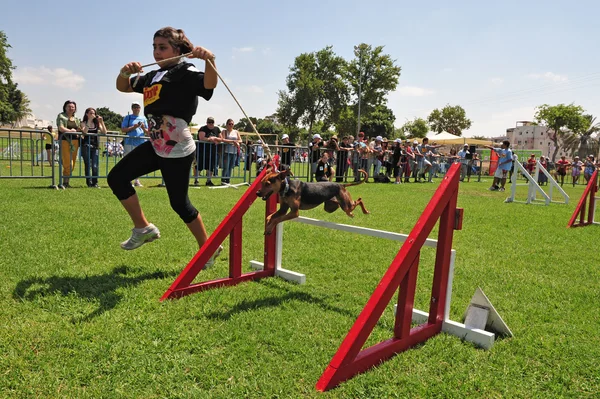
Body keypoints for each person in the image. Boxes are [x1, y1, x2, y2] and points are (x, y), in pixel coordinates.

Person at [109, 26, 221, 268]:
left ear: (177, 50)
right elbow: (123, 86)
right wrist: (123, 72)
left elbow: (209, 85)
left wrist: (210, 60)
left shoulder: (186, 71)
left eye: (162, 48)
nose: (156, 53)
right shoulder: (152, 76)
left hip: (178, 148)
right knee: (117, 178)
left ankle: (208, 248)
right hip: (156, 144)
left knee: (179, 203)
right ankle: (143, 228)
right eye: (154, 47)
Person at [121, 102, 149, 187]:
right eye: (134, 107)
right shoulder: (128, 118)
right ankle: (128, 180)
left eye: (138, 107)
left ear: (140, 108)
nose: (136, 109)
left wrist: (143, 127)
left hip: (140, 142)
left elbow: (148, 132)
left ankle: (137, 180)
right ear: (132, 109)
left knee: (139, 162)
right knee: (129, 162)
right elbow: (123, 129)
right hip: (129, 142)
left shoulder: (143, 118)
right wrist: (134, 127)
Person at [56, 100, 81, 189]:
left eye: (73, 107)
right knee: (67, 162)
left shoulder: (77, 118)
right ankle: (64, 181)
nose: (71, 108)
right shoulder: (61, 116)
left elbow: (79, 128)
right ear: (65, 107)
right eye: (69, 107)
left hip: (75, 141)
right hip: (65, 140)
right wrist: (70, 131)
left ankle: (67, 182)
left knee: (73, 163)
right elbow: (61, 127)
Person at [80, 107, 107, 188]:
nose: (93, 115)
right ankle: (89, 182)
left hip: (95, 146)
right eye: (91, 113)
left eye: (94, 113)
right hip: (86, 146)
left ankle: (95, 182)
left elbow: (104, 132)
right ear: (87, 114)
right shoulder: (83, 123)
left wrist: (101, 122)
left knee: (95, 165)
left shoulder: (97, 124)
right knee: (87, 165)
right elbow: (84, 132)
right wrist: (89, 121)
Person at [194, 116, 221, 186]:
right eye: (209, 122)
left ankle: (209, 180)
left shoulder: (217, 129)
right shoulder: (203, 128)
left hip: (212, 151)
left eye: (212, 122)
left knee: (210, 166)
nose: (211, 124)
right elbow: (201, 138)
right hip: (202, 151)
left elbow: (221, 138)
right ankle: (196, 180)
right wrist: (210, 139)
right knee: (199, 165)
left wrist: (216, 140)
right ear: (206, 123)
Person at [220, 118, 241, 184]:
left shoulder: (236, 132)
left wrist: (236, 142)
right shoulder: (224, 131)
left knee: (230, 167)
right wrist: (232, 141)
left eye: (232, 124)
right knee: (226, 167)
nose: (231, 125)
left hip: (234, 152)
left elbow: (240, 140)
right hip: (226, 151)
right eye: (229, 124)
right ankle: (223, 180)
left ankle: (228, 180)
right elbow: (222, 139)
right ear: (226, 124)